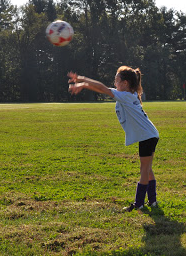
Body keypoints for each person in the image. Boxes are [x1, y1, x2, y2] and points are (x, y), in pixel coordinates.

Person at [68, 66, 159, 212]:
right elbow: (103, 89)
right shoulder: (130, 94)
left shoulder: (125, 96)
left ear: (125, 83)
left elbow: (102, 88)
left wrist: (83, 80)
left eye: (116, 80)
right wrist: (84, 84)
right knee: (147, 169)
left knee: (144, 170)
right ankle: (153, 201)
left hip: (148, 136)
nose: (115, 83)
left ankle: (139, 203)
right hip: (150, 135)